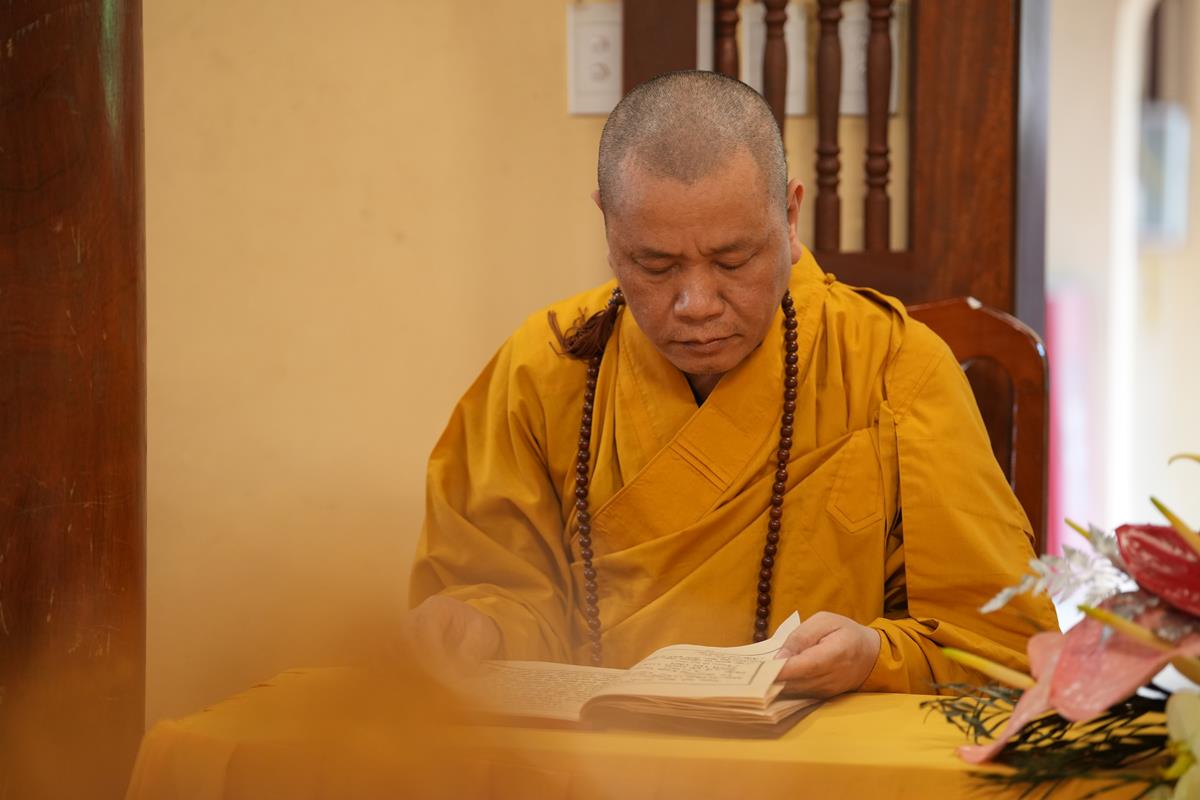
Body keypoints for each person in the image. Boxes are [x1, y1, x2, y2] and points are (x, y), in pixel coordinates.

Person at [405, 71, 1057, 698]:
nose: (696, 304)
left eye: (733, 260)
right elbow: (497, 593)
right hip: (599, 756)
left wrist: (875, 657)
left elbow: (999, 648)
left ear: (791, 217)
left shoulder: (894, 368)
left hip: (818, 755)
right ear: (608, 225)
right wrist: (477, 627)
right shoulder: (542, 369)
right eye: (655, 265)